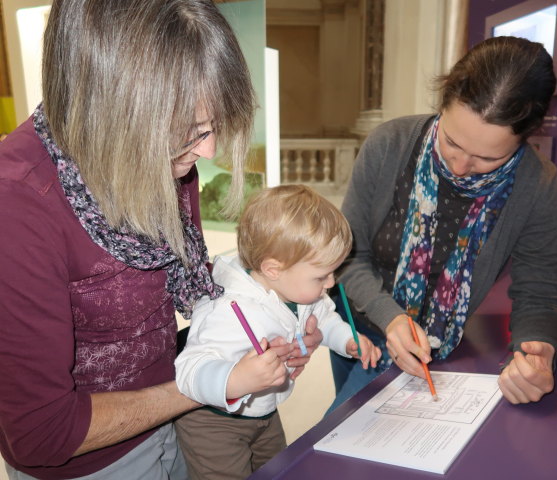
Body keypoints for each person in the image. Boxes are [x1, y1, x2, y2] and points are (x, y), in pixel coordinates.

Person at [0, 1, 321, 479]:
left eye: (210, 128)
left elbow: (176, 299)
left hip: (176, 423)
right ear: (109, 109)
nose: (208, 151)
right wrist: (209, 385)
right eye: (189, 133)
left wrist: (264, 325)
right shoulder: (17, 207)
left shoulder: (167, 160)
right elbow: (39, 434)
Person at [329, 36, 557, 412]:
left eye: (487, 158)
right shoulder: (389, 144)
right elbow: (347, 256)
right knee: (344, 419)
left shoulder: (539, 186)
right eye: (452, 142)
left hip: (446, 346)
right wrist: (390, 319)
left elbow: (539, 295)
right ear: (443, 103)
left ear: (525, 138)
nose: (458, 167)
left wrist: (539, 353)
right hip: (357, 326)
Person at [174, 184, 382, 479]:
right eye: (321, 275)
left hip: (265, 412)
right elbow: (188, 372)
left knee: (278, 471)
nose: (331, 283)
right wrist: (236, 380)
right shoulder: (226, 309)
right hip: (213, 423)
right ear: (273, 269)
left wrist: (346, 340)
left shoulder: (294, 287)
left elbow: (324, 317)